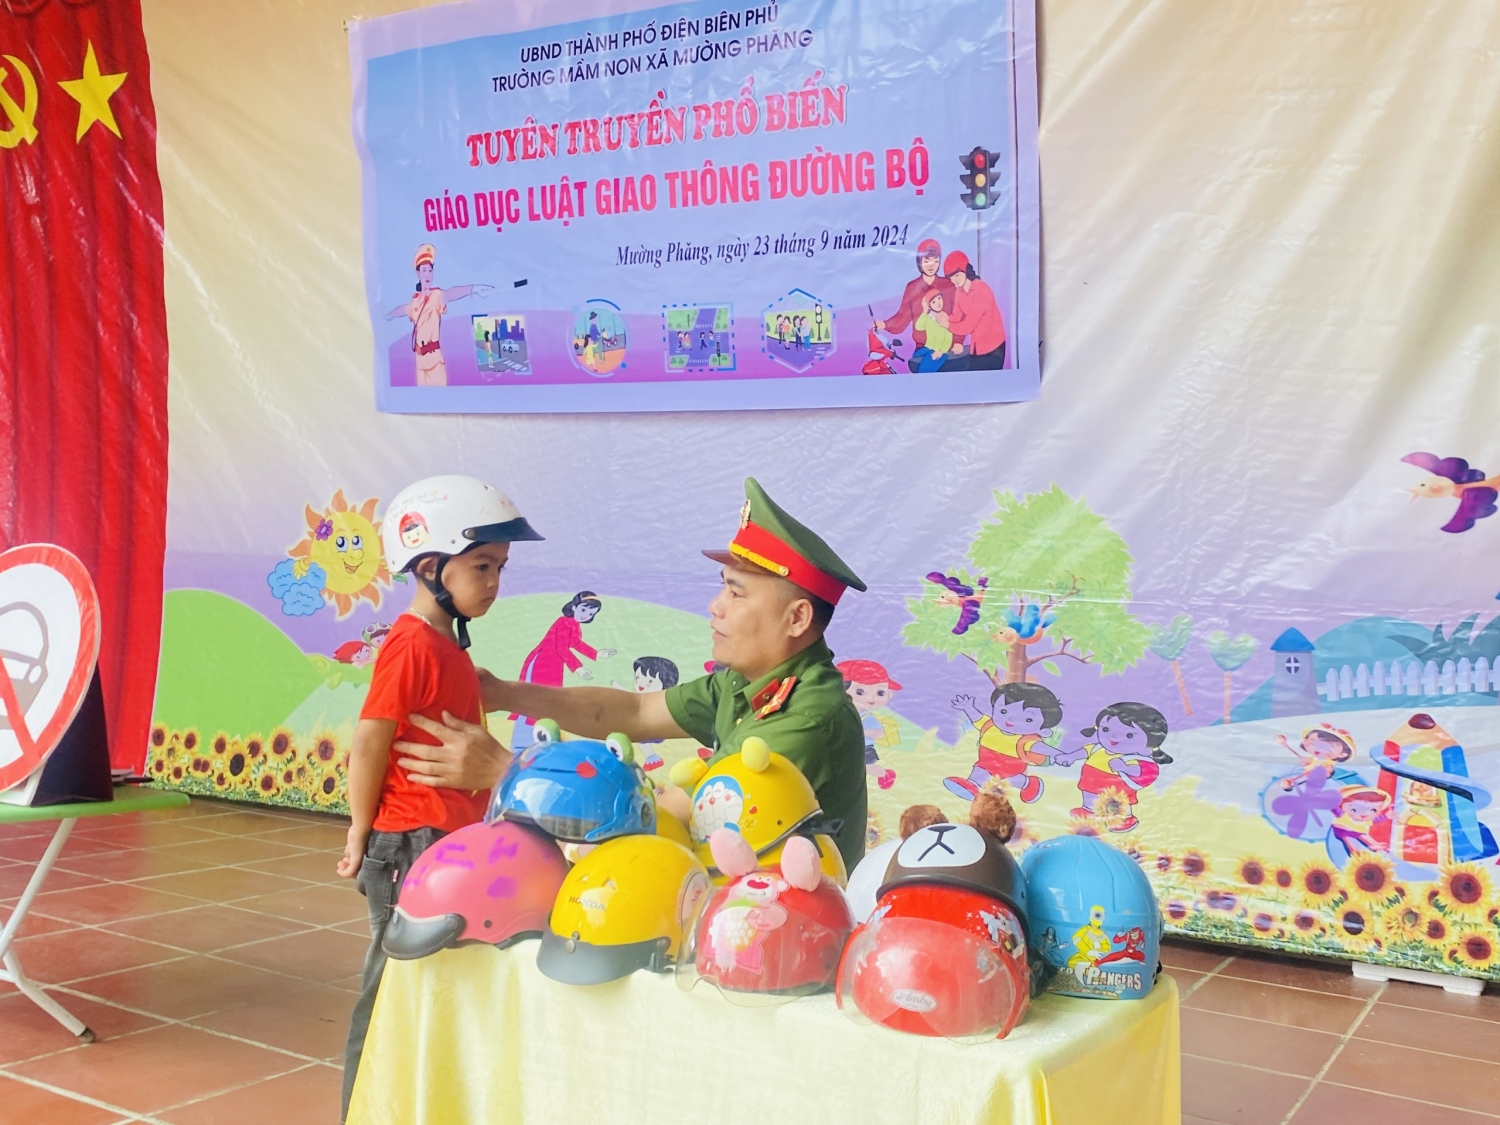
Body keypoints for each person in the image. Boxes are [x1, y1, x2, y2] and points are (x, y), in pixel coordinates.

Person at [398, 479, 870, 872]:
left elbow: (685, 816)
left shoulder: (807, 717)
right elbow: (635, 711)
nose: (715, 606)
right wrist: (503, 693)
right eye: (722, 589)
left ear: (796, 618)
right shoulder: (745, 680)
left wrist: (509, 772)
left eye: (736, 593)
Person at [335, 474, 541, 1120]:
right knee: (390, 988)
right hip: (409, 845)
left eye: (500, 567)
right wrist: (358, 830)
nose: (495, 582)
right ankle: (360, 1107)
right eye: (482, 566)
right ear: (430, 567)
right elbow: (370, 740)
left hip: (448, 842)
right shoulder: (410, 644)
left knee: (439, 986)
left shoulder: (446, 642)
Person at [510, 591, 616, 747]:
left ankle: (537, 740)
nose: (585, 615)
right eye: (583, 610)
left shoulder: (574, 625)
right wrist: (578, 668)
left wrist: (596, 654)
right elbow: (561, 647)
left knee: (546, 702)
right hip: (542, 662)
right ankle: (522, 743)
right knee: (534, 701)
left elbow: (575, 643)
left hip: (553, 664)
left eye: (590, 614)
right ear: (573, 606)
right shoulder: (563, 622)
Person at [385, 244, 491, 387]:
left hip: (434, 359)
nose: (428, 274)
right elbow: (404, 309)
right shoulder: (416, 301)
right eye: (424, 270)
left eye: (430, 270)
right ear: (418, 273)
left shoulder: (436, 295)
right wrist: (389, 315)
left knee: (438, 394)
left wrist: (473, 289)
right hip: (419, 360)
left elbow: (451, 293)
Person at [944, 682, 1062, 804]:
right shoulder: (990, 726)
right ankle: (1028, 784)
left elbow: (1039, 747)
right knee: (1005, 777)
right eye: (1003, 711)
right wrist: (968, 708)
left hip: (1011, 766)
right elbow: (977, 718)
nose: (1010, 719)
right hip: (990, 761)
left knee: (989, 771)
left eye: (1028, 719)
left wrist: (1059, 754)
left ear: (1043, 731)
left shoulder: (1025, 740)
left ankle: (973, 785)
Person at [874, 238, 956, 373]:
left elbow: (958, 315)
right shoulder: (913, 288)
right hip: (922, 347)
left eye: (935, 260)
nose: (931, 265)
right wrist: (884, 324)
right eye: (926, 261)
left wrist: (957, 342)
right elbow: (903, 316)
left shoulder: (948, 286)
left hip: (945, 347)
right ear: (919, 262)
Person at [837, 658, 901, 790]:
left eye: (880, 693)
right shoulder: (839, 712)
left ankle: (884, 774)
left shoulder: (867, 717)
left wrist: (859, 730)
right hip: (846, 746)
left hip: (864, 747)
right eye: (860, 692)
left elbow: (879, 734)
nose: (871, 699)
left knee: (864, 767)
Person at [941, 250, 1007, 370]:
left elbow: (967, 326)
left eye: (957, 275)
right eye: (951, 277)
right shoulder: (959, 291)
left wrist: (947, 324)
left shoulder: (981, 289)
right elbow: (957, 316)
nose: (954, 280)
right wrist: (945, 317)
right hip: (976, 346)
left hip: (993, 347)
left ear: (966, 270)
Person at [911, 289, 954, 372]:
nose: (938, 303)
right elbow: (919, 327)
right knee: (915, 357)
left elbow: (948, 338)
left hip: (941, 350)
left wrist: (941, 351)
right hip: (928, 348)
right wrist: (924, 311)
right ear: (929, 305)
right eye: (933, 302)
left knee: (925, 368)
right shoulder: (928, 318)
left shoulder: (945, 317)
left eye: (939, 298)